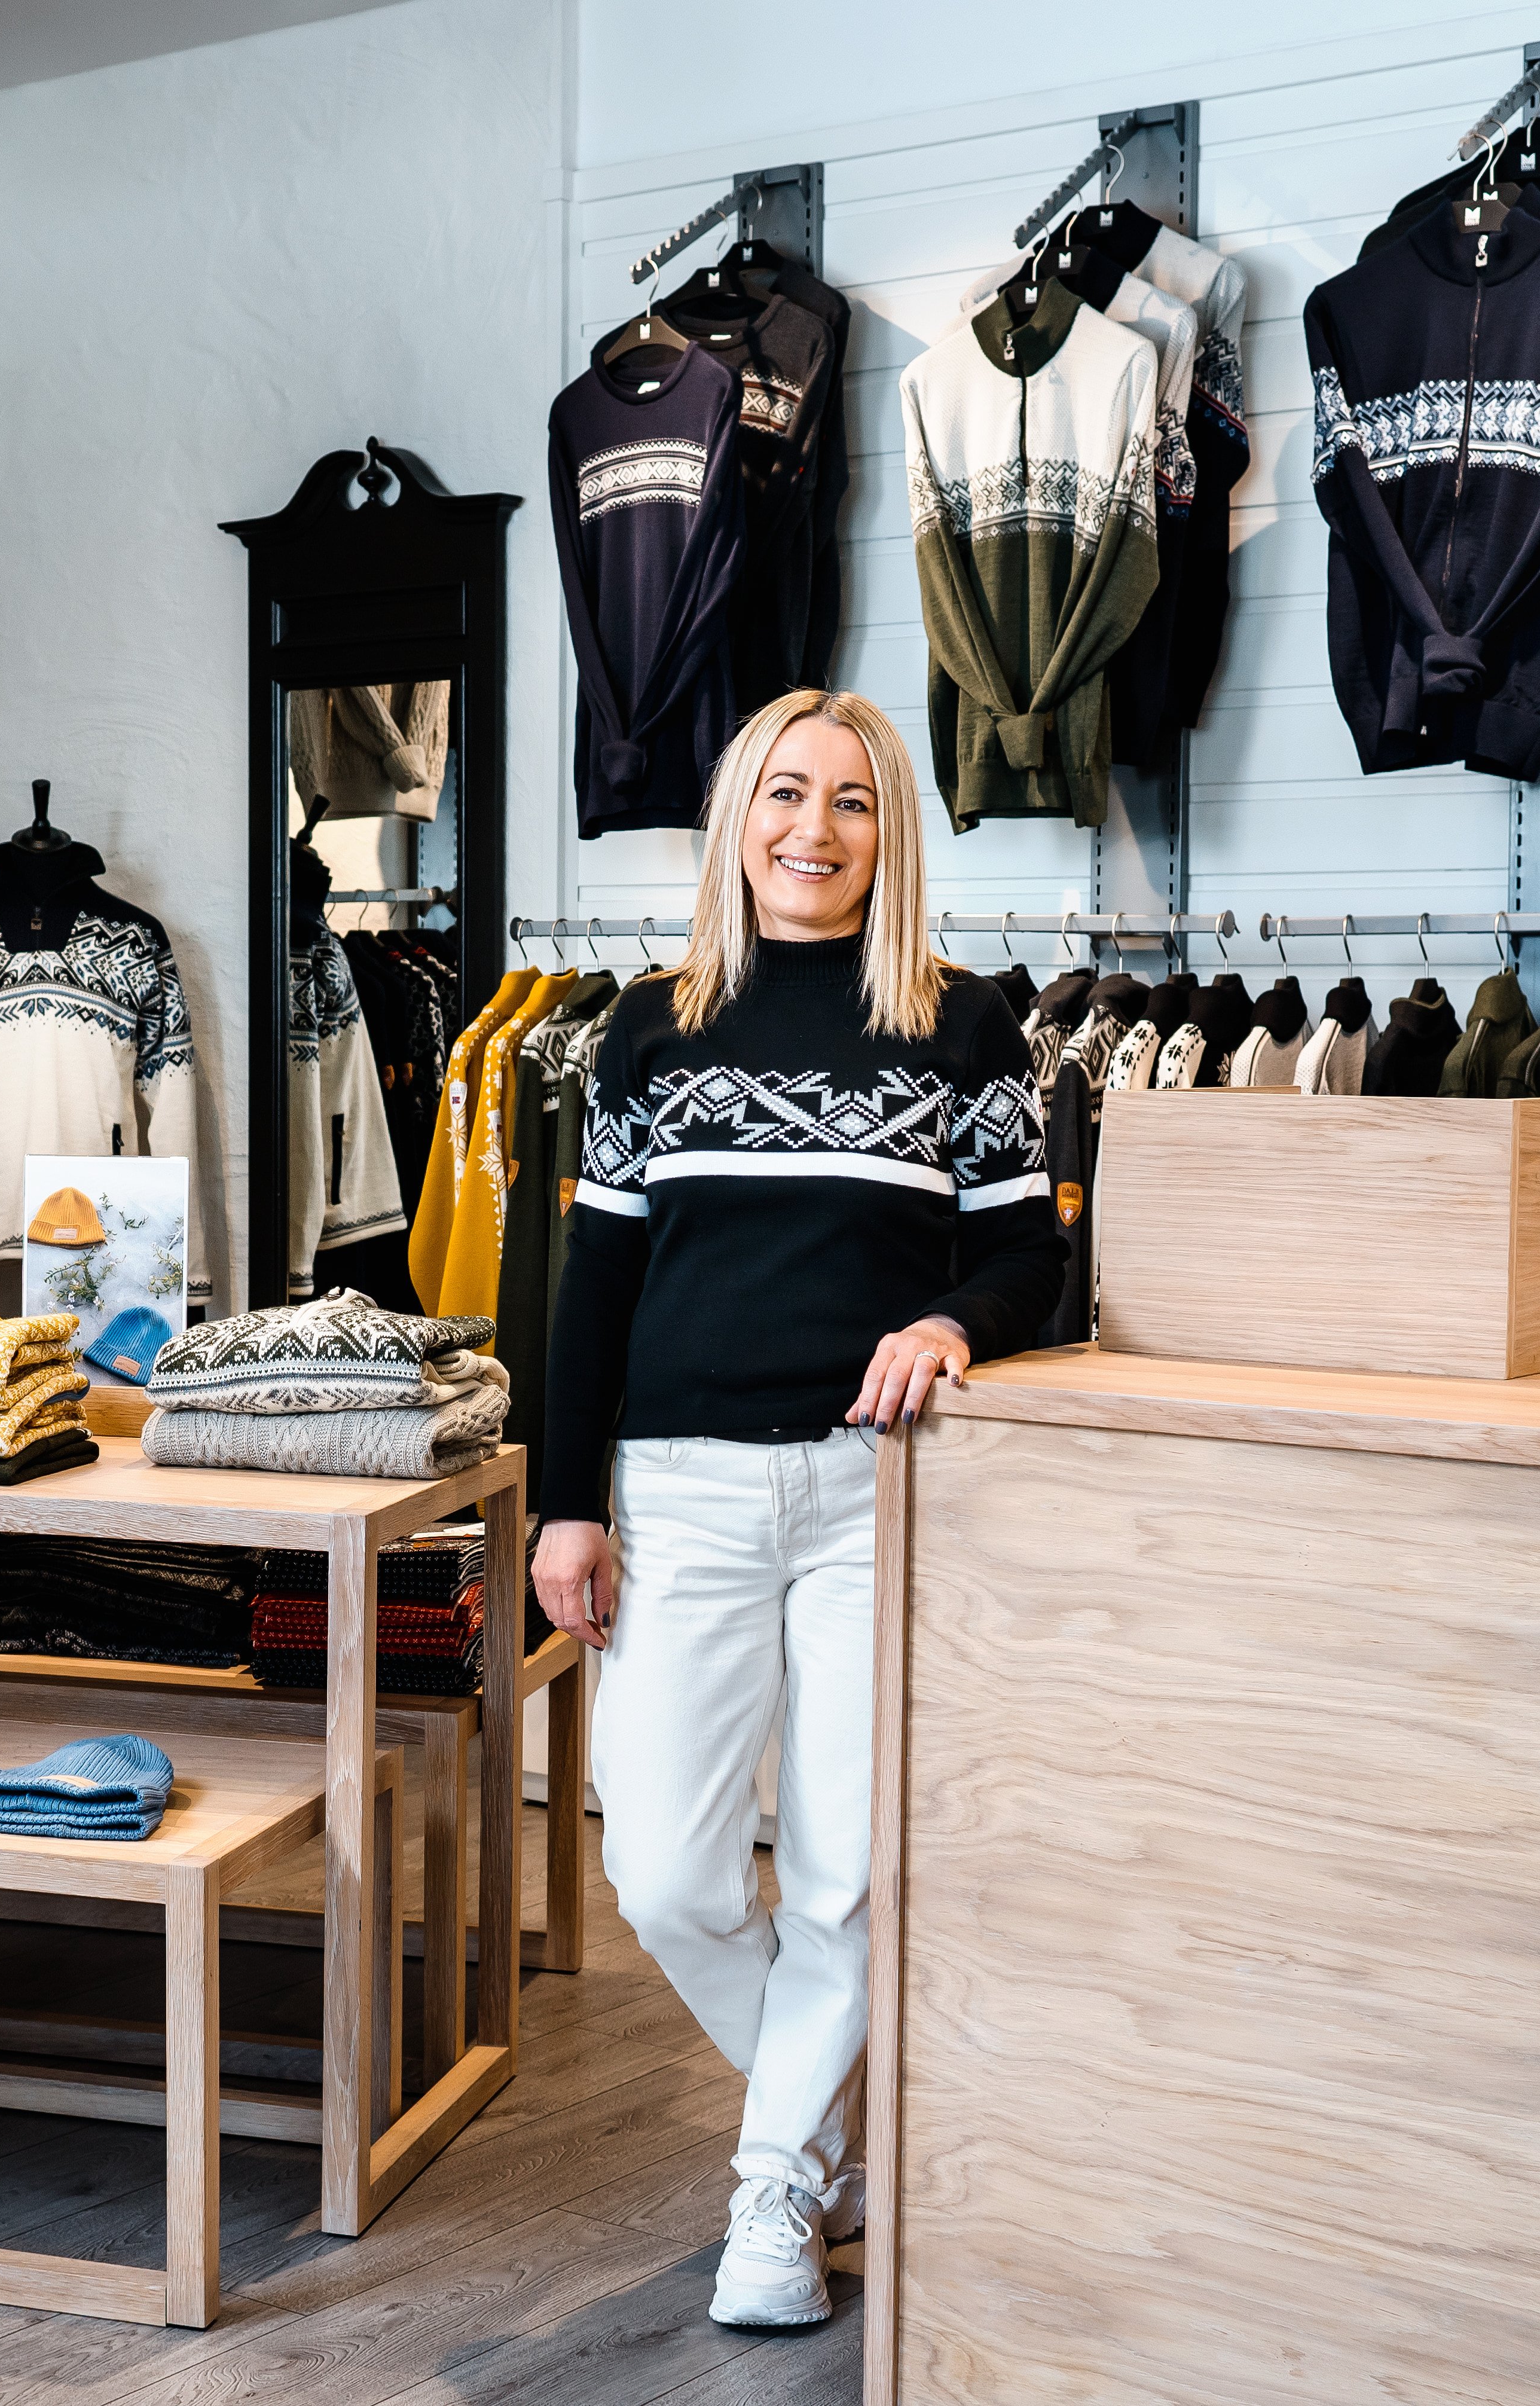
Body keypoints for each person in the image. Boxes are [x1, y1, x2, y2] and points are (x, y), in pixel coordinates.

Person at [534, 688, 1065, 2329]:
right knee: (671, 1874)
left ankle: (774, 2198)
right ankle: (841, 2131)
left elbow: (1033, 1250)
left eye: (849, 802)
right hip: (681, 1494)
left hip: (869, 1497)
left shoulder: (963, 1026)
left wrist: (952, 1318)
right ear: (737, 819)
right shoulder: (648, 1030)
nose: (812, 831)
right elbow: (591, 1287)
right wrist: (567, 1505)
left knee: (837, 1874)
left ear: (888, 833)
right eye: (783, 795)